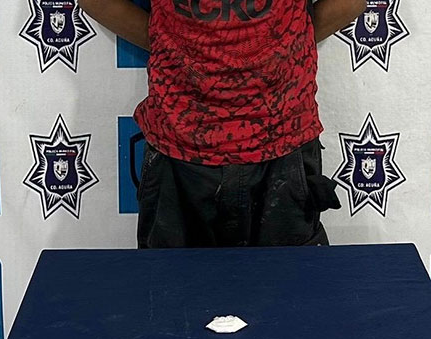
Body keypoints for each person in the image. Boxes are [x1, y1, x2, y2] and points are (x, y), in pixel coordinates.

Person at [79, 0, 367, 248]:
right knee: (174, 291)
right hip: (180, 147)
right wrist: (165, 40)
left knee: (286, 290)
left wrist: (288, 40)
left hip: (281, 143)